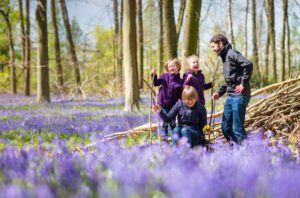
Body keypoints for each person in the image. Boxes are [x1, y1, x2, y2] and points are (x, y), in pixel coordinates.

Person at [210, 34, 253, 144]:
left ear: (221, 43)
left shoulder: (232, 54)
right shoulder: (225, 57)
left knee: (237, 129)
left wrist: (243, 83)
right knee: (225, 128)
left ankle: (247, 154)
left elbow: (248, 64)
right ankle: (236, 150)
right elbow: (230, 80)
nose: (212, 49)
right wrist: (219, 93)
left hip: (240, 96)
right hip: (231, 96)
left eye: (213, 46)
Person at [151, 58, 183, 142]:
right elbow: (156, 83)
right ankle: (164, 141)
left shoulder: (180, 81)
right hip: (162, 105)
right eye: (169, 66)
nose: (171, 68)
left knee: (173, 124)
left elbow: (181, 95)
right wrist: (154, 76)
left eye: (173, 66)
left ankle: (174, 141)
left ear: (178, 67)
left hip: (173, 106)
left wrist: (183, 104)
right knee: (164, 124)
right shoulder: (165, 76)